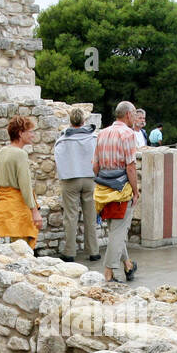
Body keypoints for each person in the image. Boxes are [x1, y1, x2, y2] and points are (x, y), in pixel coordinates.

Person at [93, 100, 140, 283]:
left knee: (115, 230)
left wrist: (103, 182)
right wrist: (135, 192)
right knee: (118, 232)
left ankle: (128, 264)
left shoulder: (102, 133)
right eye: (135, 113)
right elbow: (131, 167)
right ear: (128, 115)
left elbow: (95, 165)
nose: (135, 117)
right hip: (121, 190)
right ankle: (108, 272)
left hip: (103, 189)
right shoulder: (128, 134)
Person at [0, 115, 43, 249]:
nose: (33, 135)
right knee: (21, 250)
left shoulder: (2, 151)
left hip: (1, 205)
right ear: (20, 133)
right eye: (30, 132)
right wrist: (34, 211)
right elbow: (25, 185)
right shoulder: (20, 154)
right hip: (17, 208)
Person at [53, 108, 100, 262]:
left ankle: (69, 252)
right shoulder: (93, 137)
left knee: (71, 217)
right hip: (89, 178)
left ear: (71, 121)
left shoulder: (63, 139)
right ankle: (93, 251)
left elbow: (59, 159)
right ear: (83, 121)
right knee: (90, 217)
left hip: (70, 179)